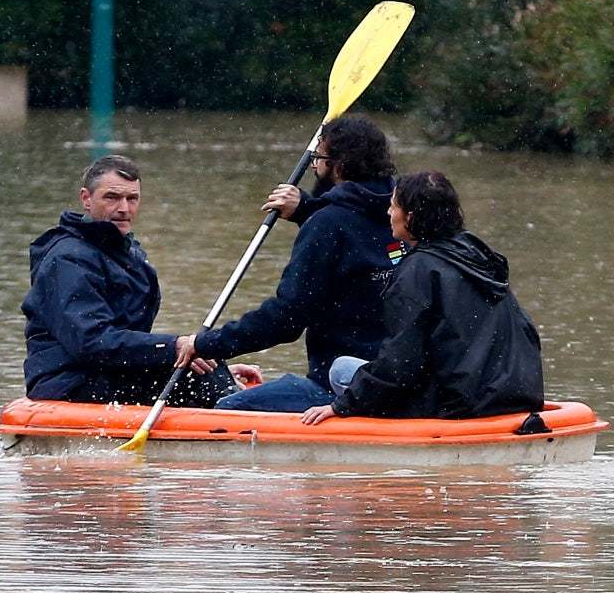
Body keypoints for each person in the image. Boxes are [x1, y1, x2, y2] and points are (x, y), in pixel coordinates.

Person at [177, 115, 399, 413]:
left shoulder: (327, 225)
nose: (314, 167)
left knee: (226, 408)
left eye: (318, 158)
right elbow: (357, 240)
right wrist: (307, 210)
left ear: (341, 166)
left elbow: (287, 318)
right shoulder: (401, 214)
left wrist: (208, 344)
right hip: (399, 377)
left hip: (337, 386)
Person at [301, 169, 544, 424]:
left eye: (393, 206)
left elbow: (401, 363)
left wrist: (342, 406)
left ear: (410, 217)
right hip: (518, 395)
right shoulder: (479, 256)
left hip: (459, 406)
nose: (388, 213)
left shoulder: (416, 271)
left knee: (341, 368)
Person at [23, 154, 236, 406]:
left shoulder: (126, 253)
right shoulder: (68, 260)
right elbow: (93, 342)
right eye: (112, 197)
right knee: (198, 375)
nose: (124, 208)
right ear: (86, 199)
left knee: (207, 365)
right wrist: (173, 348)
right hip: (69, 382)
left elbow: (127, 340)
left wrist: (213, 369)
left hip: (109, 371)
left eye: (132, 198)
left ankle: (237, 398)